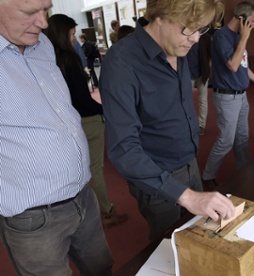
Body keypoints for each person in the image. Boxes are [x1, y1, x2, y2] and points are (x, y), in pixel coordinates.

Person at [99, 0, 235, 241]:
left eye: (201, 29)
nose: (195, 38)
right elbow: (123, 149)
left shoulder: (178, 45)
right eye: (188, 28)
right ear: (159, 16)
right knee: (173, 245)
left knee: (201, 237)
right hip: (158, 176)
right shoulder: (121, 62)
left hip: (190, 163)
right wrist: (186, 195)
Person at [0, 1, 113, 275]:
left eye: (46, 9)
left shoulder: (44, 45)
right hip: (33, 216)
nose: (43, 22)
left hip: (83, 195)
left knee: (103, 269)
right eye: (30, 13)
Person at [45, 14, 128, 229]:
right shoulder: (69, 59)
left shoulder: (45, 60)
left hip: (64, 123)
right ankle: (107, 211)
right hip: (87, 121)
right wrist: (105, 110)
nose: (74, 38)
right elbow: (82, 100)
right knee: (95, 169)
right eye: (72, 34)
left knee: (76, 169)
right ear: (62, 34)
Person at [201, 0, 254, 190]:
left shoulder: (240, 36)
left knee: (242, 137)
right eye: (253, 22)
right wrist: (244, 39)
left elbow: (243, 66)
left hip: (241, 96)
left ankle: (243, 169)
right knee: (226, 140)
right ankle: (207, 176)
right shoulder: (222, 36)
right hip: (226, 97)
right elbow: (232, 65)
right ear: (242, 19)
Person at [187, 31, 212, 135]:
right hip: (187, 72)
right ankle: (188, 124)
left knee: (202, 100)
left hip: (202, 73)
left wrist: (208, 67)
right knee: (187, 100)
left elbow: (211, 55)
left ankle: (201, 125)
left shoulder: (205, 38)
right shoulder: (186, 34)